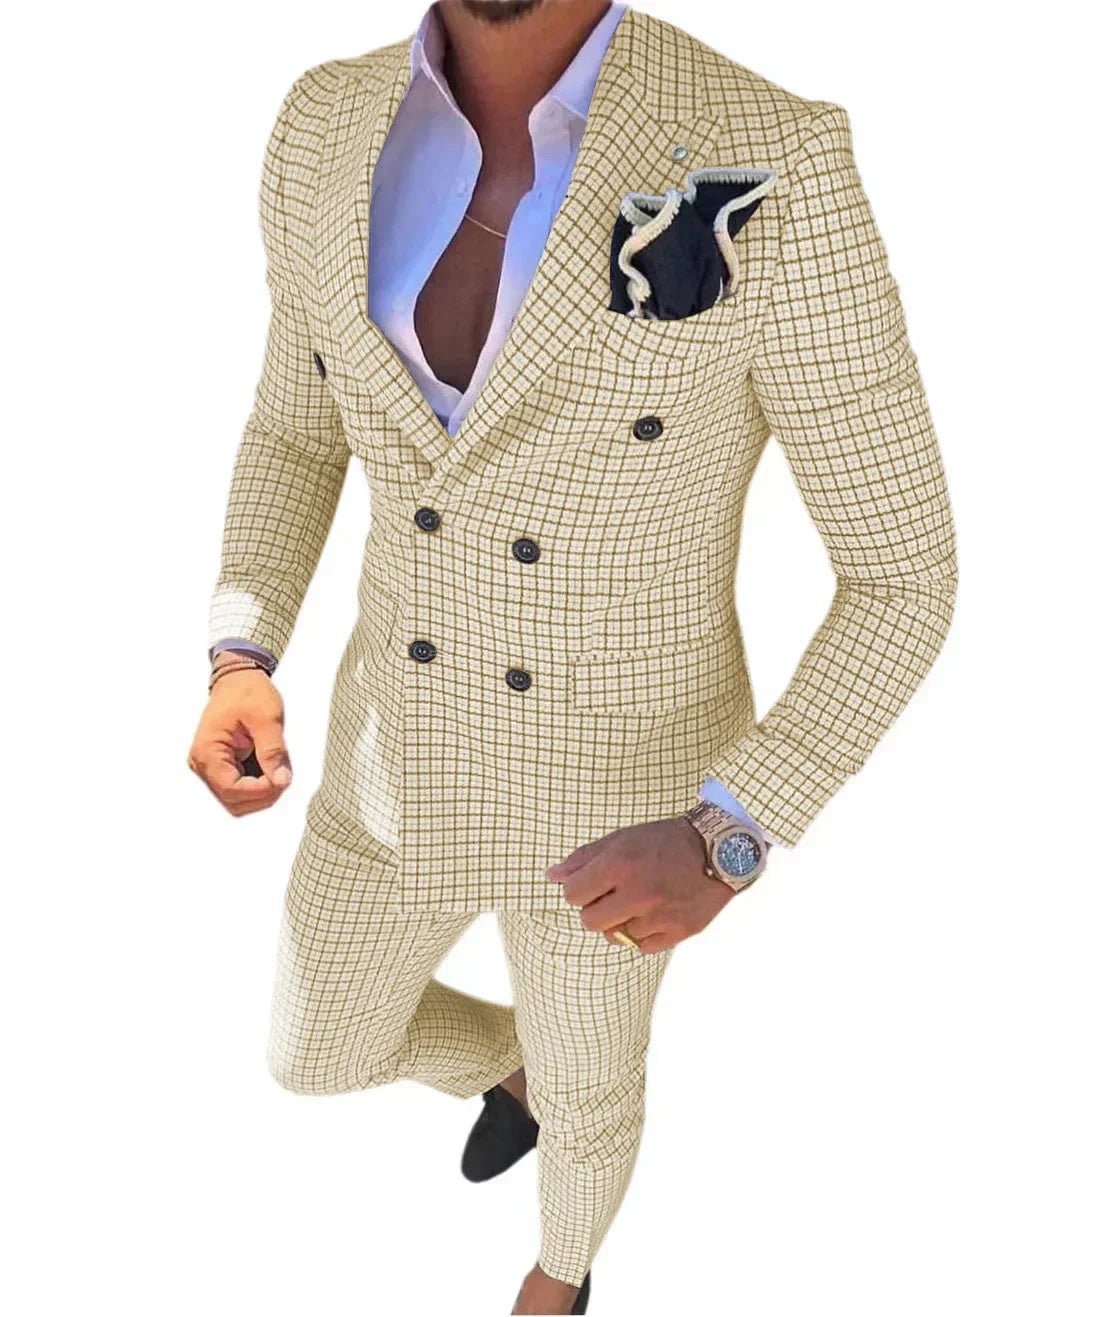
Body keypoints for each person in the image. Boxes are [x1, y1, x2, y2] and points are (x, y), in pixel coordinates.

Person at [186, 1, 957, 1311]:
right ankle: (511, 1067)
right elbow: (297, 427)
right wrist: (240, 648)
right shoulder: (322, 120)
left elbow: (902, 573)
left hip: (624, 792)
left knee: (596, 1098)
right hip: (394, 749)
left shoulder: (777, 153)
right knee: (312, 1049)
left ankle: (563, 1275)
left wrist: (731, 830)